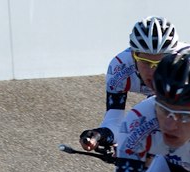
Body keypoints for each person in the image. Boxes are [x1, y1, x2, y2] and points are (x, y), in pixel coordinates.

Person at [78, 16, 184, 152]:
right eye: (145, 62)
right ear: (134, 54)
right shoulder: (119, 68)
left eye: (160, 62)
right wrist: (100, 135)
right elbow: (114, 121)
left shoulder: (185, 66)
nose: (153, 71)